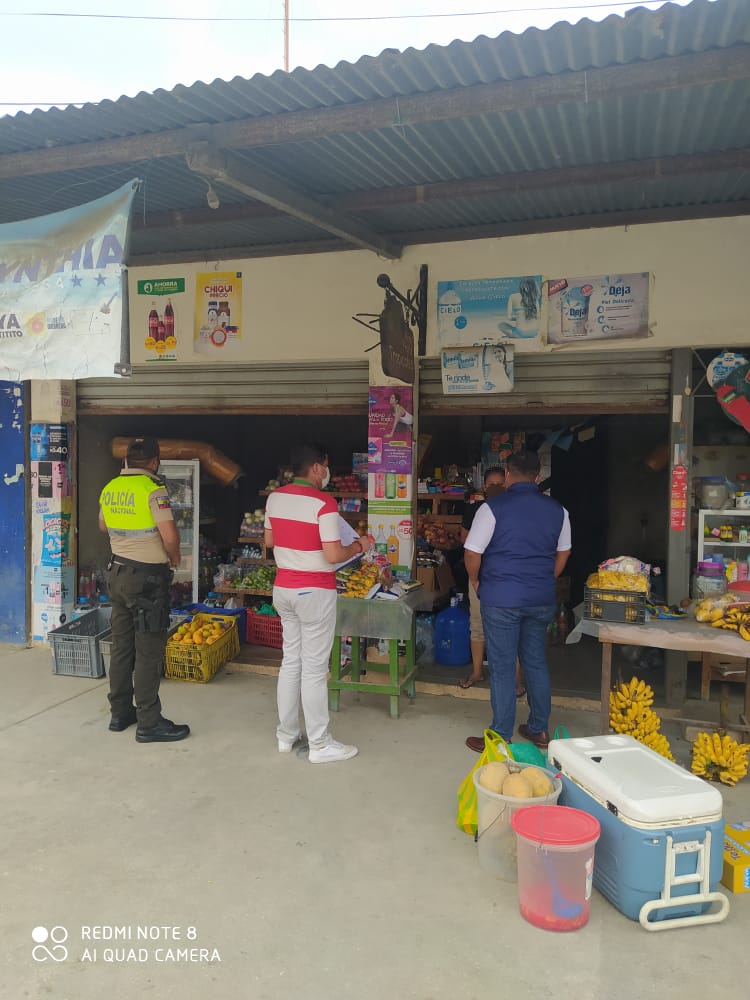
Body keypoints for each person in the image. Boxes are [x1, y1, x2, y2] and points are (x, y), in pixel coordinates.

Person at [264, 442, 369, 763]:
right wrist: (359, 546)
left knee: (290, 662)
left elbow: (269, 541)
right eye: (326, 466)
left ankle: (286, 735)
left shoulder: (274, 497)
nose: (328, 473)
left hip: (284, 588)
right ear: (315, 468)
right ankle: (320, 744)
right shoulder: (324, 503)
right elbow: (334, 554)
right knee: (313, 668)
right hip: (314, 592)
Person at [463, 450, 571, 753]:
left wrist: (476, 580)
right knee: (535, 660)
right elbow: (564, 551)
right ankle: (539, 729)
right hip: (540, 597)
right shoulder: (558, 510)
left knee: (502, 665)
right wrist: (547, 577)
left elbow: (472, 553)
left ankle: (500, 734)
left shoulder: (491, 508)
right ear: (538, 477)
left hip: (501, 598)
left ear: (508, 474)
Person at [98, 436, 190, 743]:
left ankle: (120, 713)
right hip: (147, 581)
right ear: (154, 462)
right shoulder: (153, 490)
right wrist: (174, 558)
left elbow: (103, 525)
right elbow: (170, 536)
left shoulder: (110, 487)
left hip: (117, 574)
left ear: (127, 460)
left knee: (122, 646)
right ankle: (149, 722)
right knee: (148, 651)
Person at [458, 466, 525, 699]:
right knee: (477, 624)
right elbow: (466, 541)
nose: (496, 487)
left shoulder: (515, 509)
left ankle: (516, 680)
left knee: (512, 628)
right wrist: (474, 578)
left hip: (508, 578)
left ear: (507, 484)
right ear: (484, 487)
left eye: (500, 483)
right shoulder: (476, 509)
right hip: (480, 576)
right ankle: (477, 672)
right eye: (491, 484)